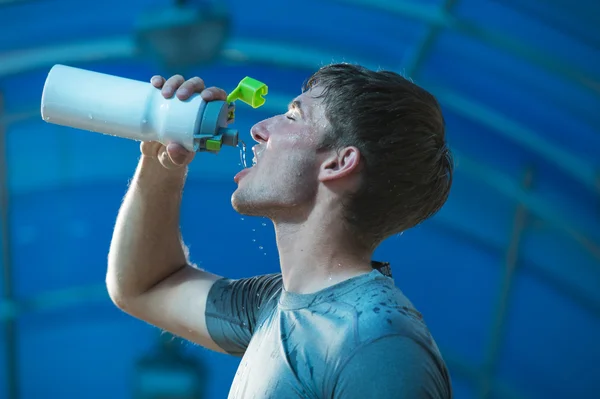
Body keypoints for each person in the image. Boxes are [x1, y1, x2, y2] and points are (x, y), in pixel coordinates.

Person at [107, 63, 453, 398]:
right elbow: (144, 286)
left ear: (338, 163)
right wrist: (159, 159)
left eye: (292, 116)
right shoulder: (272, 305)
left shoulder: (379, 344)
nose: (258, 129)